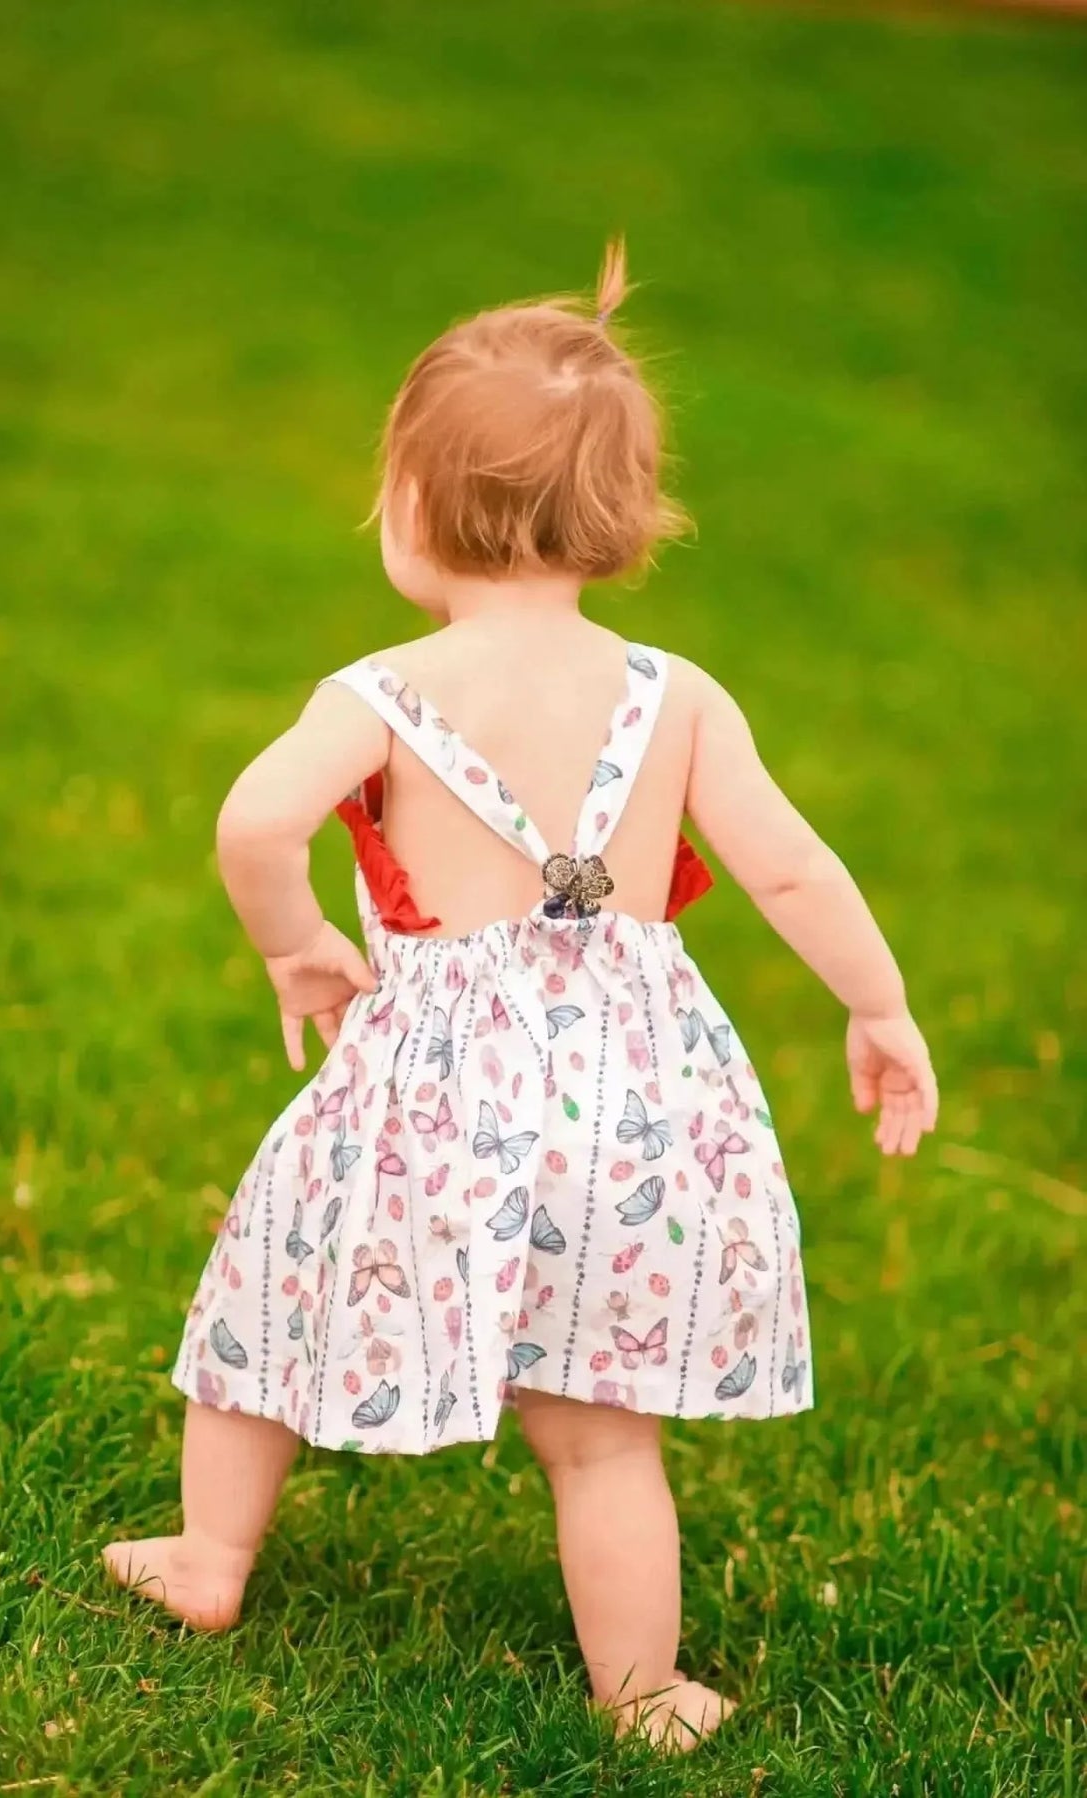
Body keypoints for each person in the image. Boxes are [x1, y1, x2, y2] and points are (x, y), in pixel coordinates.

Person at [104, 242, 938, 1752]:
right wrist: (878, 1007)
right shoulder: (676, 694)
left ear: (414, 507)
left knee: (273, 1298)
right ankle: (644, 1689)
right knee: (603, 1430)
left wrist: (297, 942)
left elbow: (251, 824)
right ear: (619, 521)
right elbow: (795, 871)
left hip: (432, 1104)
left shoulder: (380, 694)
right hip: (631, 1104)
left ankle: (209, 1555)